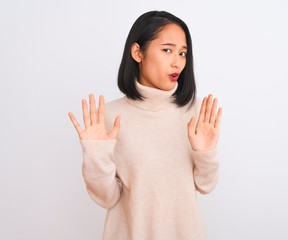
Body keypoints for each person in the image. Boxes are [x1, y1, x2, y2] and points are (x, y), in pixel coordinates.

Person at [68, 10, 222, 240]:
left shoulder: (197, 112)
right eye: (167, 50)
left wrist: (206, 153)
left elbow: (205, 185)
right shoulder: (109, 117)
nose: (177, 62)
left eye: (182, 53)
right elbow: (106, 198)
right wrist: (95, 154)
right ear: (138, 52)